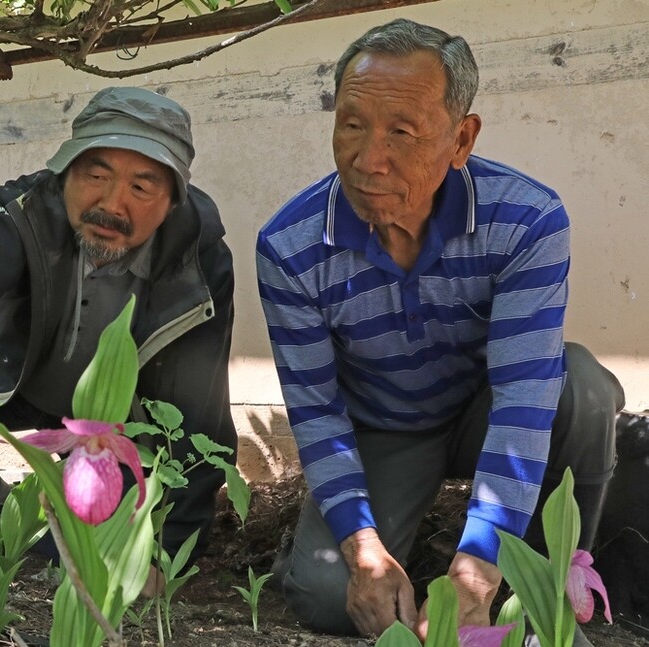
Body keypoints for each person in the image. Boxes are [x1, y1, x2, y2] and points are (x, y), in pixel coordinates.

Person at [256, 18, 624, 645]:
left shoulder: (526, 221)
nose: (369, 158)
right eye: (351, 124)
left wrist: (478, 569)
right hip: (387, 425)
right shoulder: (290, 247)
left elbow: (521, 403)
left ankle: (554, 578)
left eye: (402, 131)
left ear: (461, 138)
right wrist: (361, 545)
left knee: (581, 385)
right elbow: (316, 411)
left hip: (485, 411)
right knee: (323, 597)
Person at [0, 86, 237, 592]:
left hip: (111, 430)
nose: (112, 203)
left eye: (142, 188)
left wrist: (162, 551)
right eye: (96, 175)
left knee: (86, 560)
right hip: (9, 385)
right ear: (65, 172)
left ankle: (59, 542)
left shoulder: (199, 262)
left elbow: (197, 413)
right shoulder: (19, 211)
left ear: (171, 202)